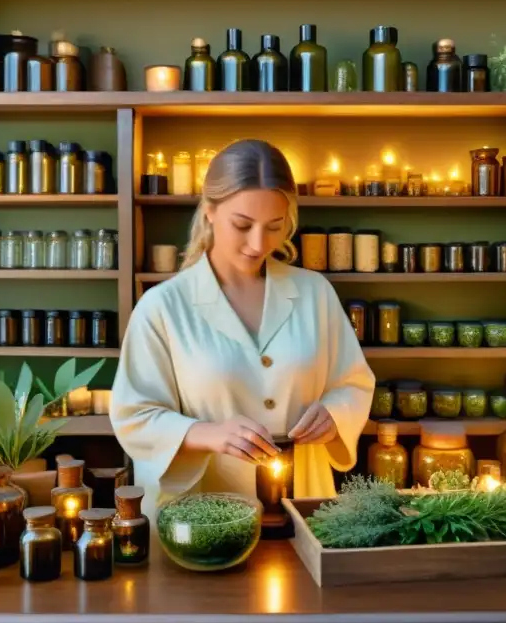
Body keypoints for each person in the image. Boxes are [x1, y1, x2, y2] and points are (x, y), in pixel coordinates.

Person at [112, 139, 374, 517]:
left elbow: (354, 383)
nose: (258, 243)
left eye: (274, 226)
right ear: (209, 212)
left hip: (302, 507)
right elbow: (133, 414)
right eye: (242, 224)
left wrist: (335, 415)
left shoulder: (315, 293)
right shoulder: (163, 306)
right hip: (201, 516)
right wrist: (208, 434)